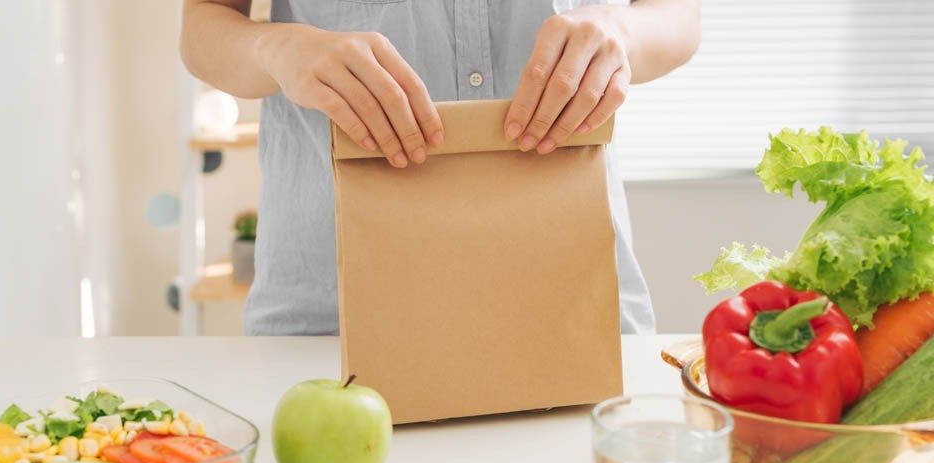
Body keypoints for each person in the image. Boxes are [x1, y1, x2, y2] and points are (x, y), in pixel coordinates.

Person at [181, 0, 700, 335]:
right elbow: (201, 28)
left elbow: (678, 18)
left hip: (574, 306)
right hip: (332, 314)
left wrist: (621, 30)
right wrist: (274, 45)